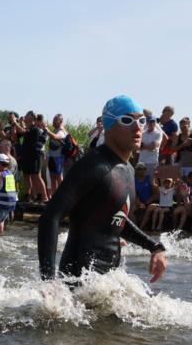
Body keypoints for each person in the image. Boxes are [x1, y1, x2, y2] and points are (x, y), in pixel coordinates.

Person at [38, 95, 167, 283]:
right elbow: (50, 217)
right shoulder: (93, 165)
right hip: (79, 281)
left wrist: (154, 247)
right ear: (108, 126)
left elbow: (114, 218)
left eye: (141, 121)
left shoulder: (128, 170)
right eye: (127, 120)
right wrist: (48, 281)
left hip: (108, 280)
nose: (137, 127)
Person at [11, 111, 48, 203]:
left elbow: (23, 131)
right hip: (27, 156)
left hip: (34, 156)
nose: (25, 116)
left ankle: (44, 197)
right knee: (27, 175)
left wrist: (15, 122)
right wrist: (19, 123)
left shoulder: (35, 129)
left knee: (36, 176)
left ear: (32, 117)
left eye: (27, 115)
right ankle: (30, 195)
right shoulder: (29, 128)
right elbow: (21, 131)